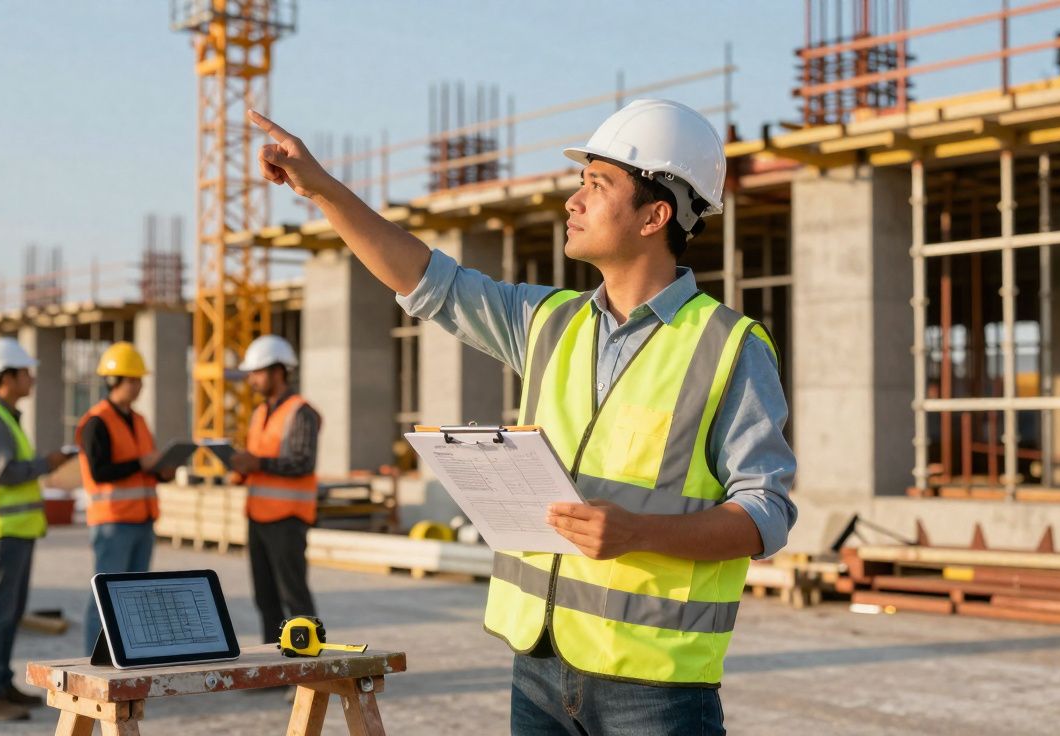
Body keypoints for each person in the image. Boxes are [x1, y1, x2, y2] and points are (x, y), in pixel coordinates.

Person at [249, 99, 797, 735]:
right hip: (537, 668)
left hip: (656, 689)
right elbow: (427, 280)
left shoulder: (728, 346)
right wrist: (321, 189)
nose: (574, 201)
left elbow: (766, 512)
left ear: (656, 214)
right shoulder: (549, 323)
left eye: (597, 184)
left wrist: (638, 533)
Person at [0, 337, 72, 722]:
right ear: (6, 377)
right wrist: (47, 463)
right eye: (26, 372)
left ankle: (0, 683)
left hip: (14, 531)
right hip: (0, 532)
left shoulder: (5, 417)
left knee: (8, 614)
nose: (32, 378)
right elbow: (5, 473)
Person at [76, 341, 171, 652]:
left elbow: (147, 462)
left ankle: (128, 658)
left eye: (140, 380)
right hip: (113, 523)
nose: (139, 386)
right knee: (105, 599)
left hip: (142, 520)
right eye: (133, 380)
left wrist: (162, 469)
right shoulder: (96, 422)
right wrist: (139, 465)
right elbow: (100, 471)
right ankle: (94, 663)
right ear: (114, 381)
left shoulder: (139, 420)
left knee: (135, 598)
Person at [228, 334, 322, 643]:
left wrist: (257, 463)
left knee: (295, 600)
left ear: (278, 371)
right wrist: (241, 469)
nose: (252, 379)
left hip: (287, 521)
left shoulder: (301, 411)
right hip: (258, 518)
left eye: (257, 372)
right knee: (265, 599)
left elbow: (301, 462)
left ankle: (307, 671)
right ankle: (274, 670)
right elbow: (260, 459)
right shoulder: (259, 413)